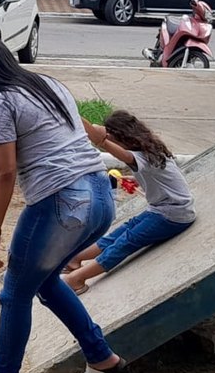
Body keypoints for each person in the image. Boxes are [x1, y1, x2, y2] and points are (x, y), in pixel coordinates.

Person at [0, 34, 125, 373]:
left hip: (63, 202)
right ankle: (100, 356)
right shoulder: (46, 84)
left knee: (15, 291)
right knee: (45, 281)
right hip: (100, 196)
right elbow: (90, 132)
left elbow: (3, 172)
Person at [61, 111, 196, 295]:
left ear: (122, 137)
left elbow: (108, 146)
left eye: (113, 138)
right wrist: (136, 179)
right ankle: (75, 259)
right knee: (120, 232)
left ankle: (76, 279)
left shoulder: (137, 156)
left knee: (126, 242)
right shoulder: (151, 149)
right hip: (164, 209)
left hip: (173, 215)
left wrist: (98, 136)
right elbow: (160, 177)